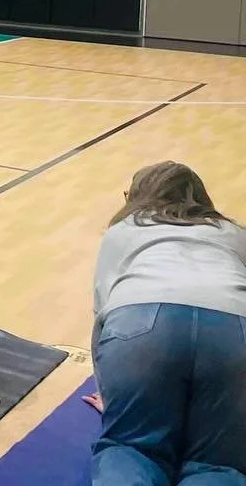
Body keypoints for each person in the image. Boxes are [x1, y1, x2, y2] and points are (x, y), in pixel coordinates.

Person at [87, 162, 246, 485]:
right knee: (217, 463)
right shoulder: (235, 233)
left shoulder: (123, 230)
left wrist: (115, 395)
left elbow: (104, 315)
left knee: (131, 449)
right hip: (234, 326)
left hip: (142, 321)